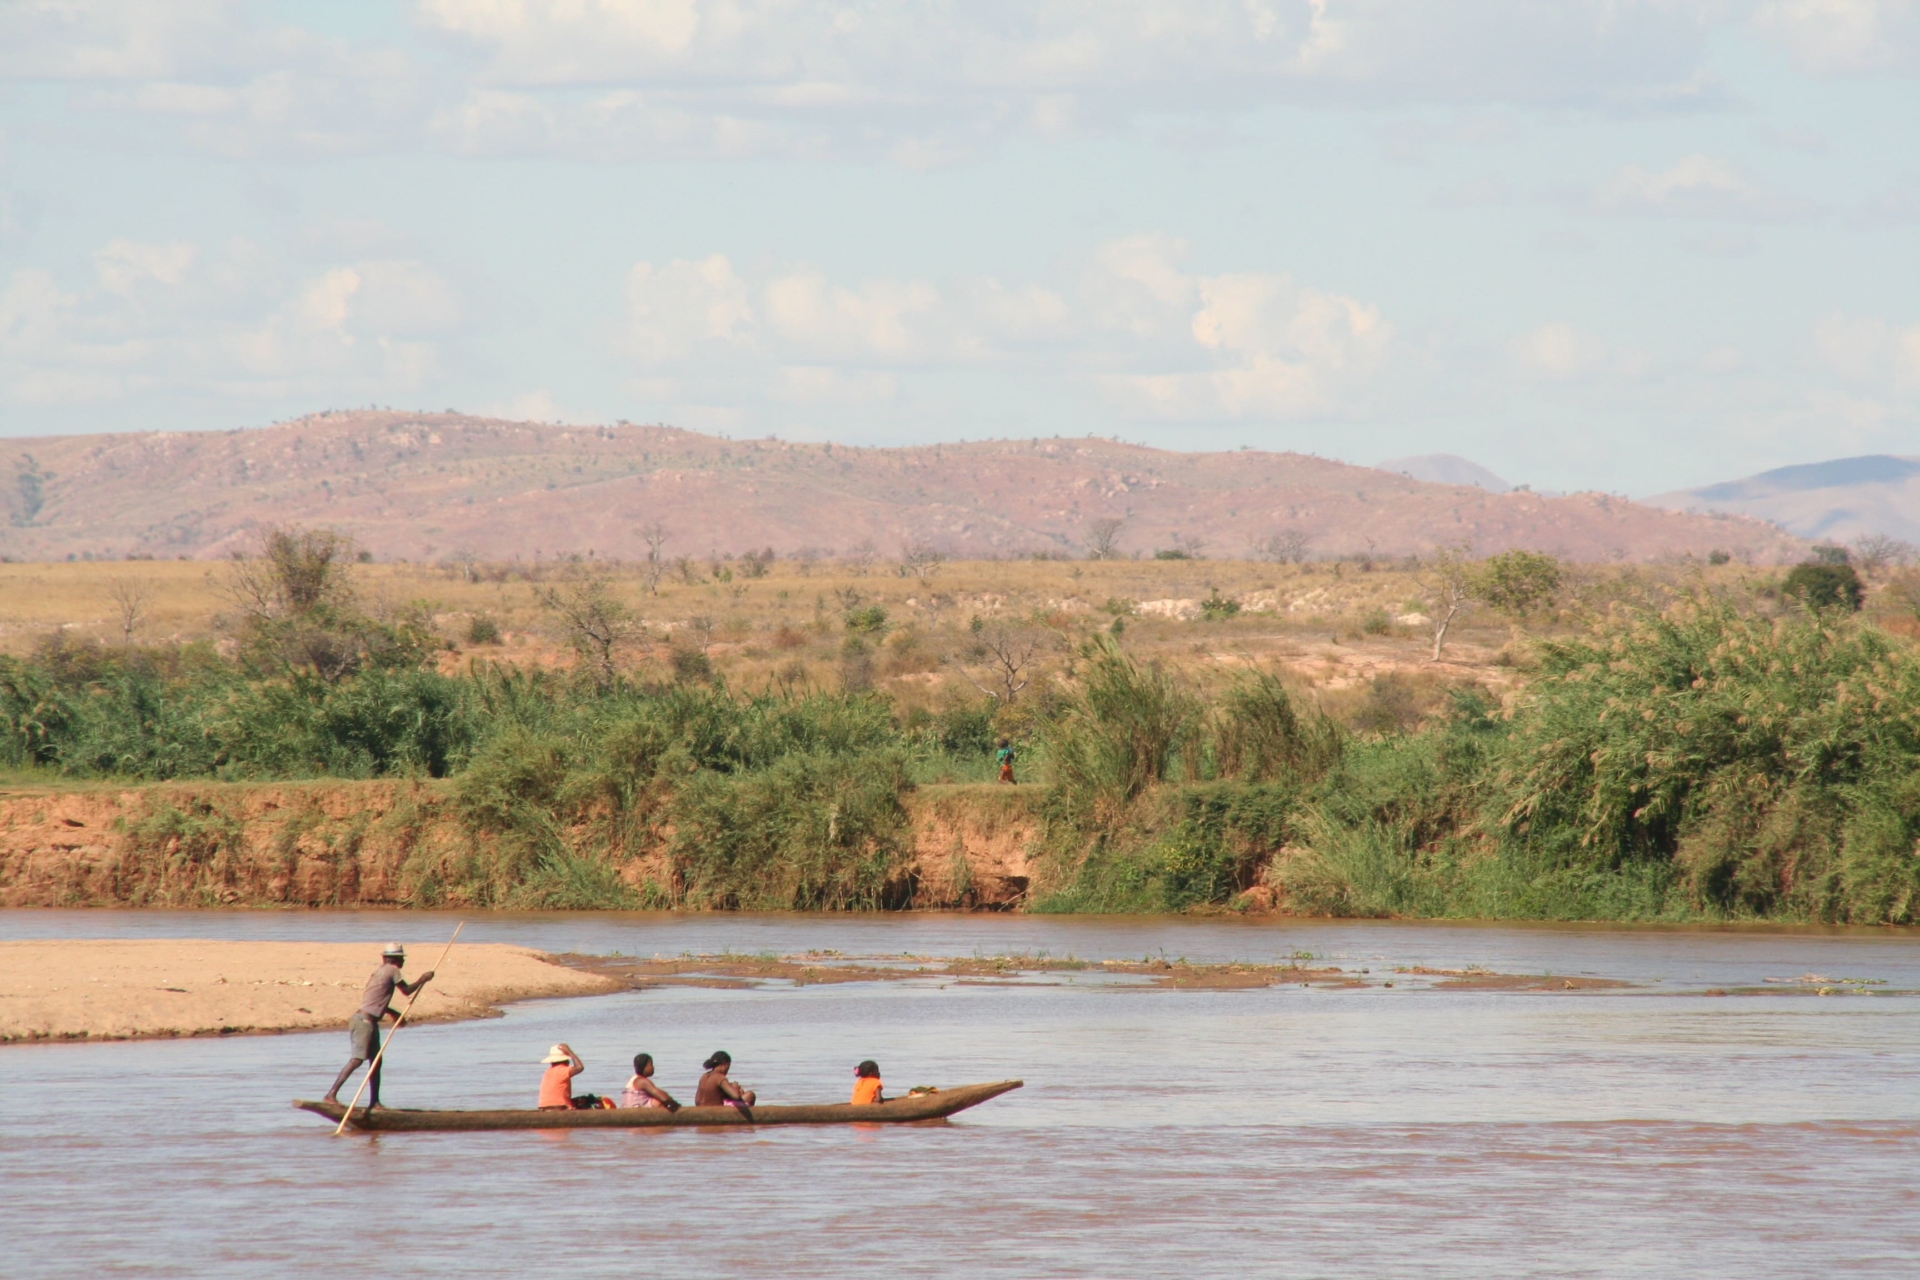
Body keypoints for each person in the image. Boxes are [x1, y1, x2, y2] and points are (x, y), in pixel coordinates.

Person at [322, 943, 434, 1109]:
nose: (403, 961)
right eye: (401, 958)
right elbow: (407, 990)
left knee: (376, 1061)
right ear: (394, 959)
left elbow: (376, 1000)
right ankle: (331, 1095)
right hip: (364, 1023)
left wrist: (393, 1013)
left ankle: (374, 1102)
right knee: (357, 1060)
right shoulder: (392, 970)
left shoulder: (379, 972)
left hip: (367, 1021)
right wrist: (423, 979)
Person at [539, 1043, 608, 1110]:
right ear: (565, 1060)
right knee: (593, 1105)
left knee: (581, 1100)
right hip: (560, 1107)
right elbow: (580, 1067)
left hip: (543, 1107)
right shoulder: (562, 1070)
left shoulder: (548, 1071)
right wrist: (570, 1052)